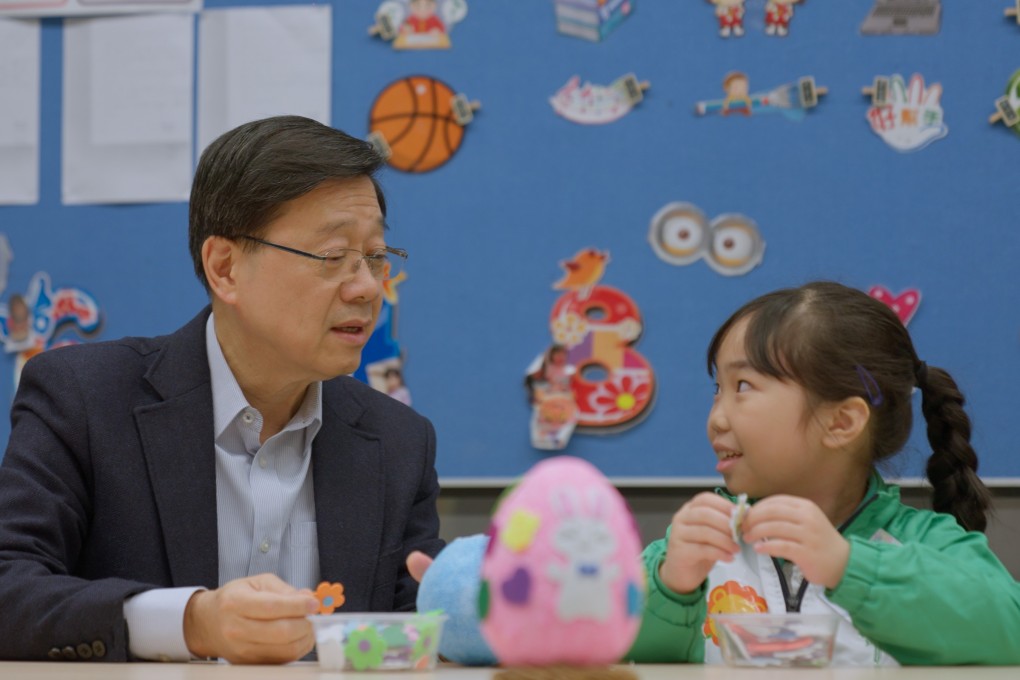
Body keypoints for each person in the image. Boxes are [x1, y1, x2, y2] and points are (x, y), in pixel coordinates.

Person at [0, 115, 445, 664]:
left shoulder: (398, 441)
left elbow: (417, 633)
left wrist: (480, 604)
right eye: (334, 258)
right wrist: (189, 622)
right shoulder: (84, 400)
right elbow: (9, 588)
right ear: (225, 267)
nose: (367, 288)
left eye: (376, 257)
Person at [628, 281, 1020, 666]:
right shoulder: (699, 547)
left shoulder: (923, 543)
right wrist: (670, 586)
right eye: (718, 389)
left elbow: (1007, 628)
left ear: (841, 422)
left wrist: (848, 565)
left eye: (743, 386)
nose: (716, 419)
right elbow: (605, 646)